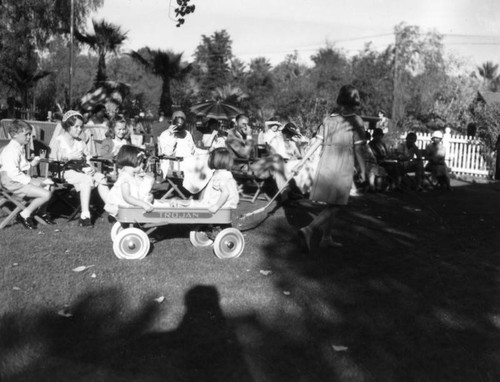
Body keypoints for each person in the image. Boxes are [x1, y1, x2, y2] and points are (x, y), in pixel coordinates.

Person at [297, 84, 366, 251]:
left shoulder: (328, 120)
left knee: (330, 203)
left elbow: (316, 142)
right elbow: (358, 149)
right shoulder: (356, 121)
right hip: (342, 165)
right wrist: (363, 169)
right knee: (338, 204)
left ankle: (326, 238)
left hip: (326, 163)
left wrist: (302, 160)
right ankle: (309, 229)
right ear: (355, 101)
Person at [49, 110, 109, 227]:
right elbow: (51, 161)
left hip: (81, 170)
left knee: (101, 177)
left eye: (81, 127)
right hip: (63, 171)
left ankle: (113, 210)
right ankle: (85, 216)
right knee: (85, 179)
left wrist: (92, 167)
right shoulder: (58, 141)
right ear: (67, 126)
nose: (79, 129)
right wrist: (68, 158)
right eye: (76, 126)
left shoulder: (80, 142)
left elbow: (88, 158)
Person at [0, 120, 54, 229]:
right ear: (14, 135)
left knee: (50, 185)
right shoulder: (11, 150)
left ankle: (41, 213)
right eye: (26, 134)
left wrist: (33, 162)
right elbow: (13, 173)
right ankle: (24, 214)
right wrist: (31, 181)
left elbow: (23, 165)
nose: (29, 137)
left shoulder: (19, 146)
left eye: (30, 134)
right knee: (46, 194)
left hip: (16, 179)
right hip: (10, 182)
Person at [170, 148, 239, 213]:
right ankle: (182, 203)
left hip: (217, 205)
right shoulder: (227, 174)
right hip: (223, 204)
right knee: (195, 204)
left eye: (211, 157)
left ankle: (180, 204)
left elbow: (226, 193)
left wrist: (216, 206)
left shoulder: (219, 176)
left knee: (194, 205)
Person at [104, 145, 154, 217]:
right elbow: (127, 197)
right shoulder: (125, 178)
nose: (143, 165)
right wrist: (143, 204)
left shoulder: (131, 176)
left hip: (128, 206)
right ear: (136, 161)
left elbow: (137, 191)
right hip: (124, 206)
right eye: (142, 162)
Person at [158, 110, 196, 175]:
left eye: (182, 120)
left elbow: (193, 150)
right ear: (172, 121)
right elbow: (167, 153)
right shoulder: (165, 134)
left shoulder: (187, 134)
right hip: (175, 165)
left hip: (189, 163)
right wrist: (172, 136)